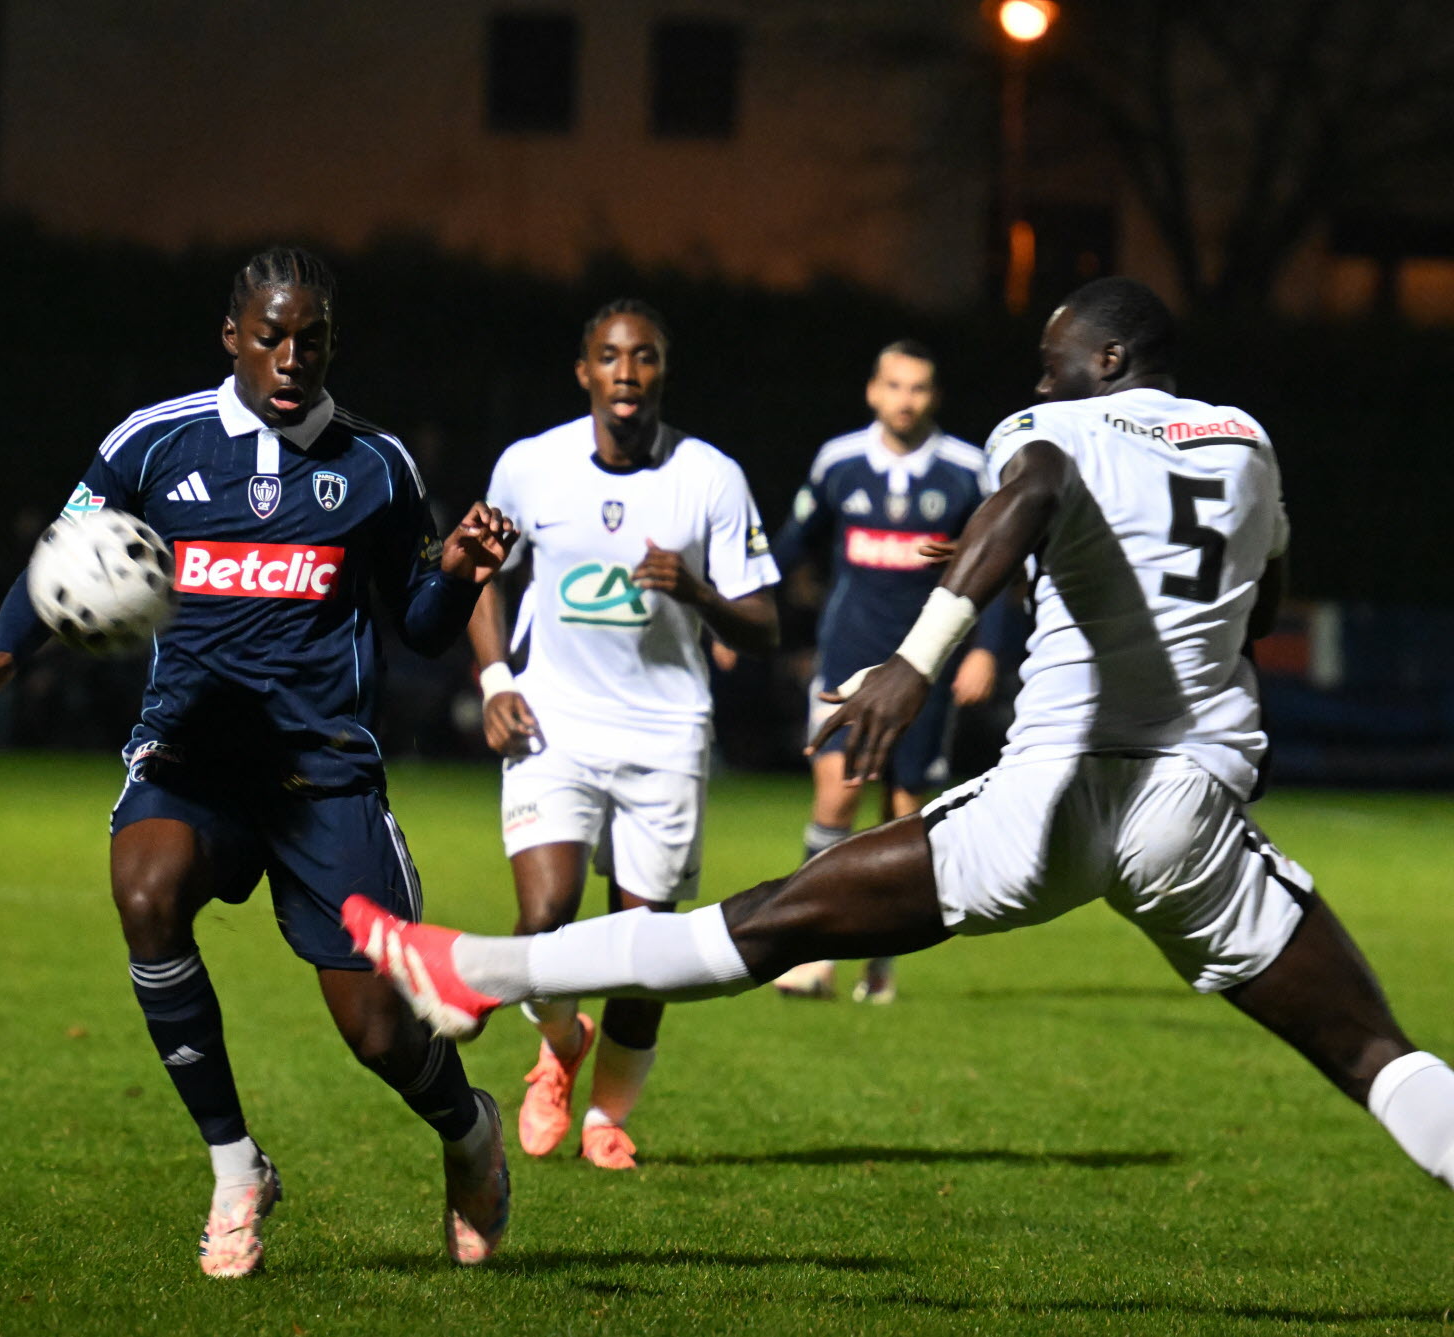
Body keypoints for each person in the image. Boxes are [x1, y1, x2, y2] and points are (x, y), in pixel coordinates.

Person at [343, 277, 1454, 1210]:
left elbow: (1040, 491)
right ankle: (487, 975)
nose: (1035, 379)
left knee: (766, 920)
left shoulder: (1039, 433)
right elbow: (1260, 604)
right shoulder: (1246, 440)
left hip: (1050, 801)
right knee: (1376, 1054)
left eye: (1052, 356)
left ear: (1109, 356)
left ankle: (479, 968)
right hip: (1189, 815)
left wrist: (913, 663)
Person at [0, 247, 516, 1275]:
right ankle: (234, 1162)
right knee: (146, 887)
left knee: (382, 1037)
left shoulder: (376, 464)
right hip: (193, 750)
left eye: (312, 337)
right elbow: (64, 553)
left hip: (322, 770)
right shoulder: (152, 442)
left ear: (331, 343)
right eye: (271, 335)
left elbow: (423, 625)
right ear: (233, 336)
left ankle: (468, 1128)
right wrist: (6, 646)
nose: (291, 355)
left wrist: (464, 571)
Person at [468, 299, 779, 1170]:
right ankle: (560, 1043)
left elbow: (765, 625)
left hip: (666, 732)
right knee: (544, 917)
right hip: (553, 721)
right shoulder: (531, 466)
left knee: (647, 950)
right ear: (585, 372)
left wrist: (699, 591)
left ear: (661, 372)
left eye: (644, 357)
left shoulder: (708, 476)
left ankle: (608, 1114)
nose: (627, 373)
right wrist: (495, 679)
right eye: (610, 357)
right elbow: (480, 574)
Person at [768, 340, 1020, 1003]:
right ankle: (810, 953)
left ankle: (880, 958)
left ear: (932, 397)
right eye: (894, 385)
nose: (905, 399)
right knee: (837, 793)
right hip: (848, 652)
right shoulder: (839, 462)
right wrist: (737, 610)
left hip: (927, 664)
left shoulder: (969, 469)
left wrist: (986, 647)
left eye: (918, 388)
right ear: (873, 392)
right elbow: (790, 545)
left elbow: (998, 562)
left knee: (903, 817)